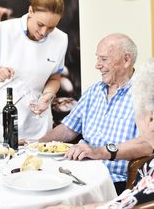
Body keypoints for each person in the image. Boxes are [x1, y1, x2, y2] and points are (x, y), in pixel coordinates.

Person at [39, 33, 152, 195]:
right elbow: (68, 129)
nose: (97, 65)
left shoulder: (144, 95)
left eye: (104, 59)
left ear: (126, 60)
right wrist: (37, 144)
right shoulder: (94, 91)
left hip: (113, 179)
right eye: (97, 58)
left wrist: (99, 152)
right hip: (77, 171)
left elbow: (148, 144)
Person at [0, 0, 68, 141]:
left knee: (39, 163)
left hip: (36, 115)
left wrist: (47, 96)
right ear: (30, 11)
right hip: (1, 114)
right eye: (40, 24)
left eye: (51, 27)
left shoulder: (61, 39)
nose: (44, 32)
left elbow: (54, 78)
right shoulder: (5, 30)